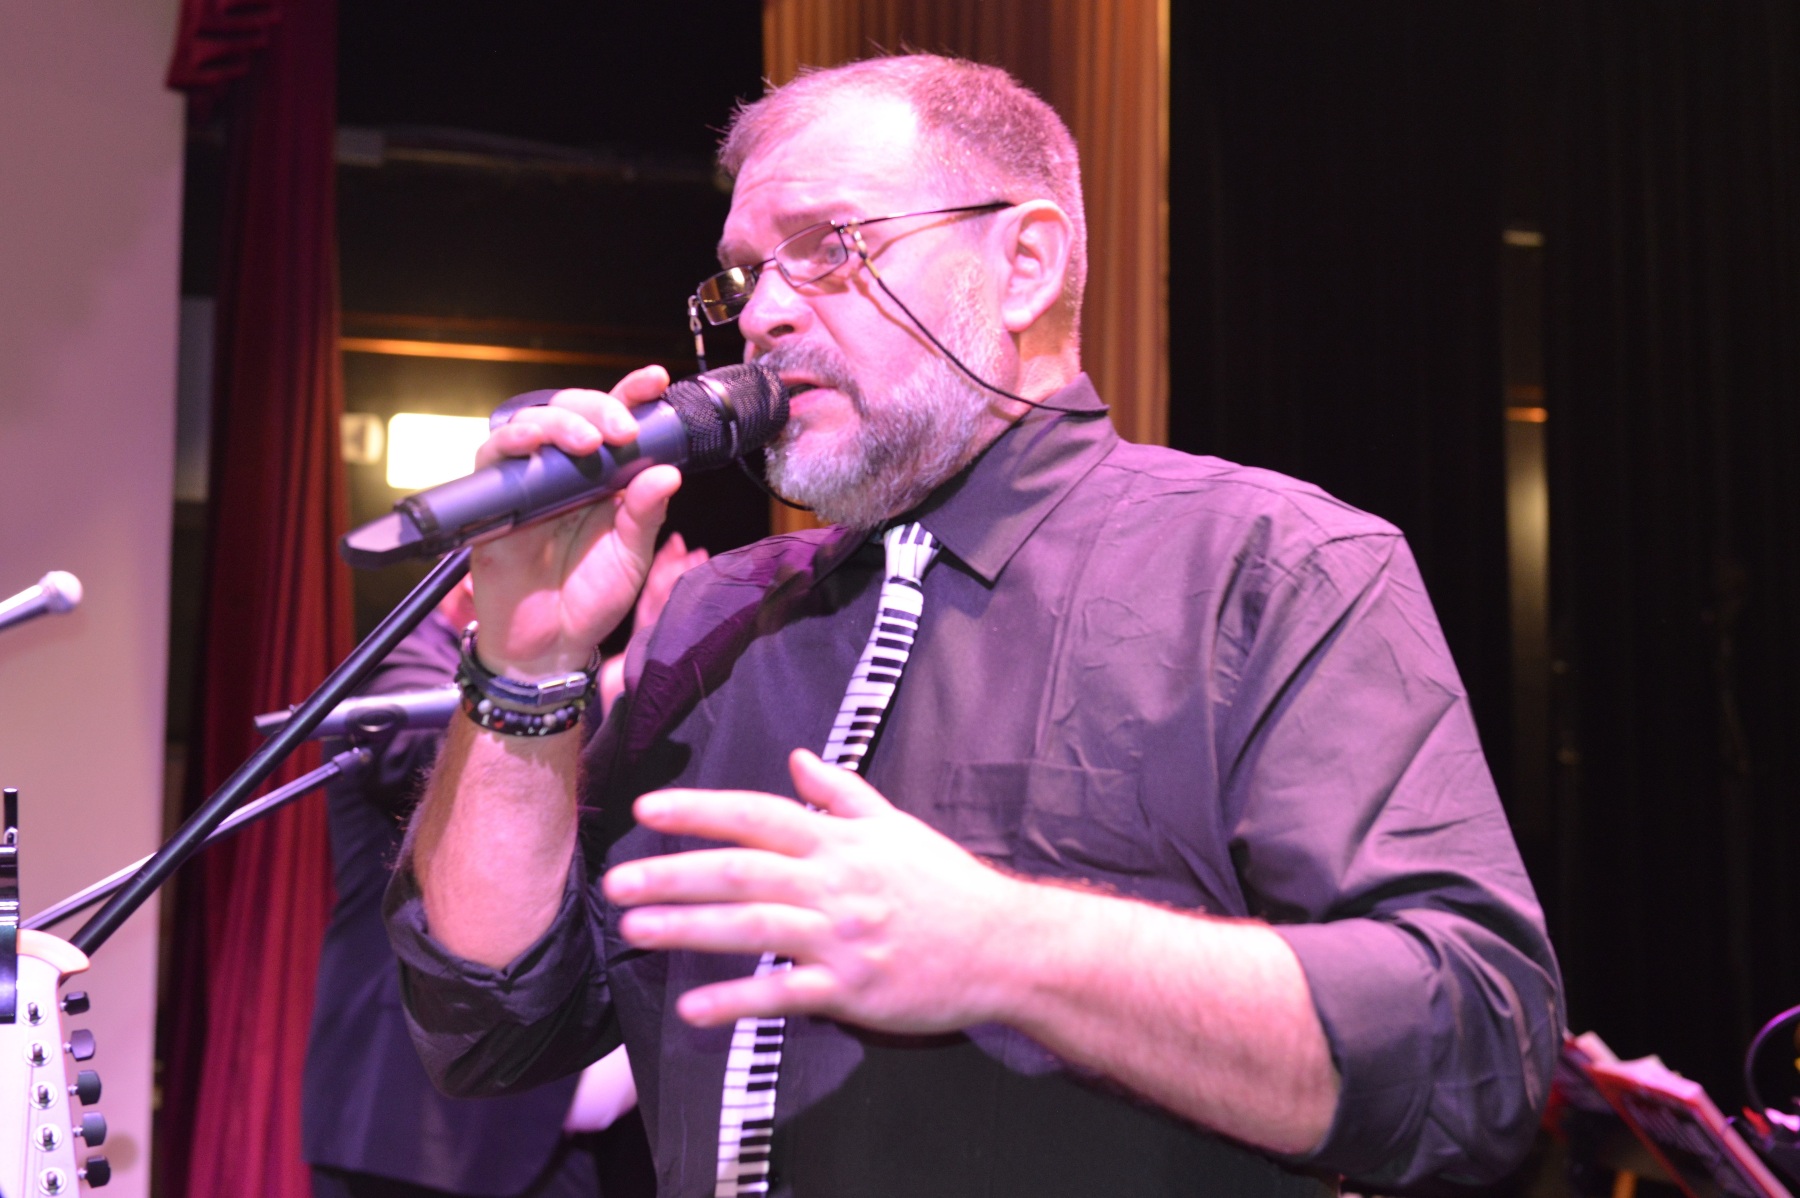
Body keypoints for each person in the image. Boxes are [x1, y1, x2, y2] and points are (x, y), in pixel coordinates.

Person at [385, 54, 1563, 1198]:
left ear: (1024, 265)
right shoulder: (714, 617)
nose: (767, 315)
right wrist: (527, 660)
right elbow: (486, 1022)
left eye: (830, 246)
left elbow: (1475, 1051)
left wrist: (1008, 946)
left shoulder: (1265, 564)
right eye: (743, 278)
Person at [306, 539, 703, 1198]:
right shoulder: (396, 667)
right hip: (416, 1121)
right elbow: (428, 756)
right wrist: (607, 680)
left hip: (532, 1114)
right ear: (479, 570)